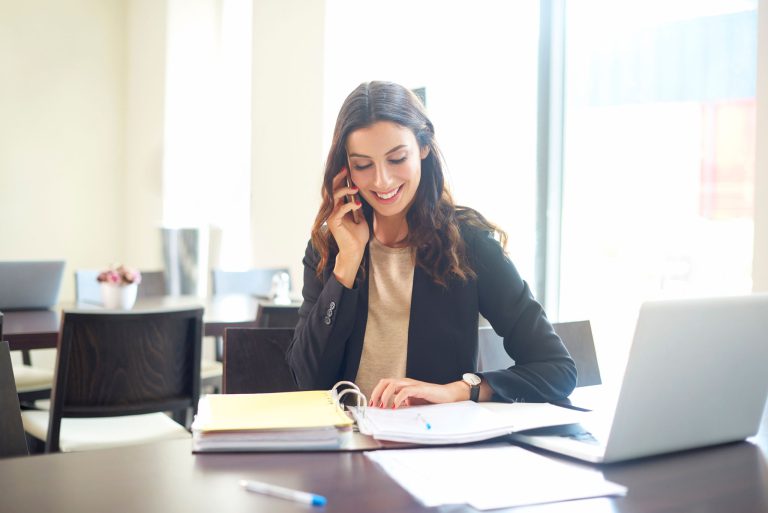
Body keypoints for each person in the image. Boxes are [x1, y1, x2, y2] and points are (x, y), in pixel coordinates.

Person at [286, 81, 576, 408]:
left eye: (396, 159)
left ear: (423, 146)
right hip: (346, 446)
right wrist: (347, 264)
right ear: (346, 170)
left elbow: (557, 369)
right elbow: (307, 382)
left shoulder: (468, 244)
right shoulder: (331, 248)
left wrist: (460, 390)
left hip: (433, 447)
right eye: (363, 165)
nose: (381, 180)